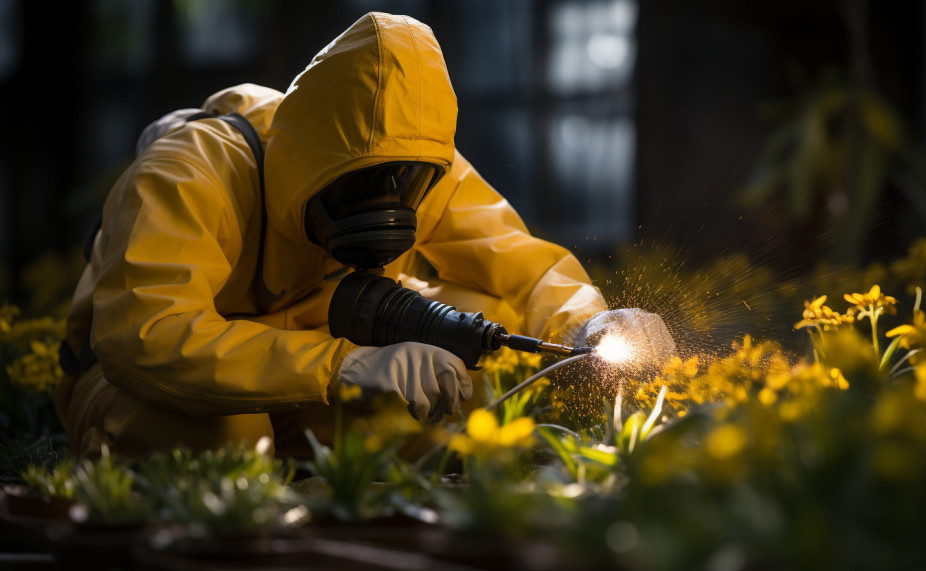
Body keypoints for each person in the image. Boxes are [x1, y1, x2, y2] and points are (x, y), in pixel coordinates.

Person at [55, 12, 672, 459]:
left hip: (308, 373)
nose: (385, 211)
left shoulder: (421, 170)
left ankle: (338, 466)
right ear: (301, 159)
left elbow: (524, 266)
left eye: (403, 187)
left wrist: (592, 321)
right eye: (353, 188)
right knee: (232, 442)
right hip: (149, 385)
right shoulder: (193, 171)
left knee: (485, 331)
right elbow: (146, 335)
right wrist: (342, 366)